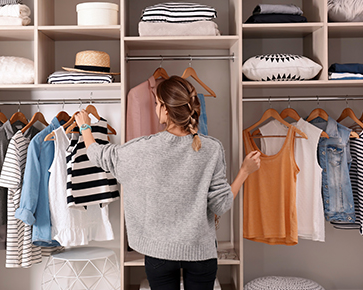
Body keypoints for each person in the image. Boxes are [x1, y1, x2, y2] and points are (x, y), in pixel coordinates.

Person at [75, 75, 260, 290]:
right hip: (201, 253)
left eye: (156, 104)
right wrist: (245, 171)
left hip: (158, 254)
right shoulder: (212, 148)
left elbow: (98, 155)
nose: (155, 109)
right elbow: (220, 205)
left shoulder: (143, 148)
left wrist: (85, 128)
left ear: (165, 109)